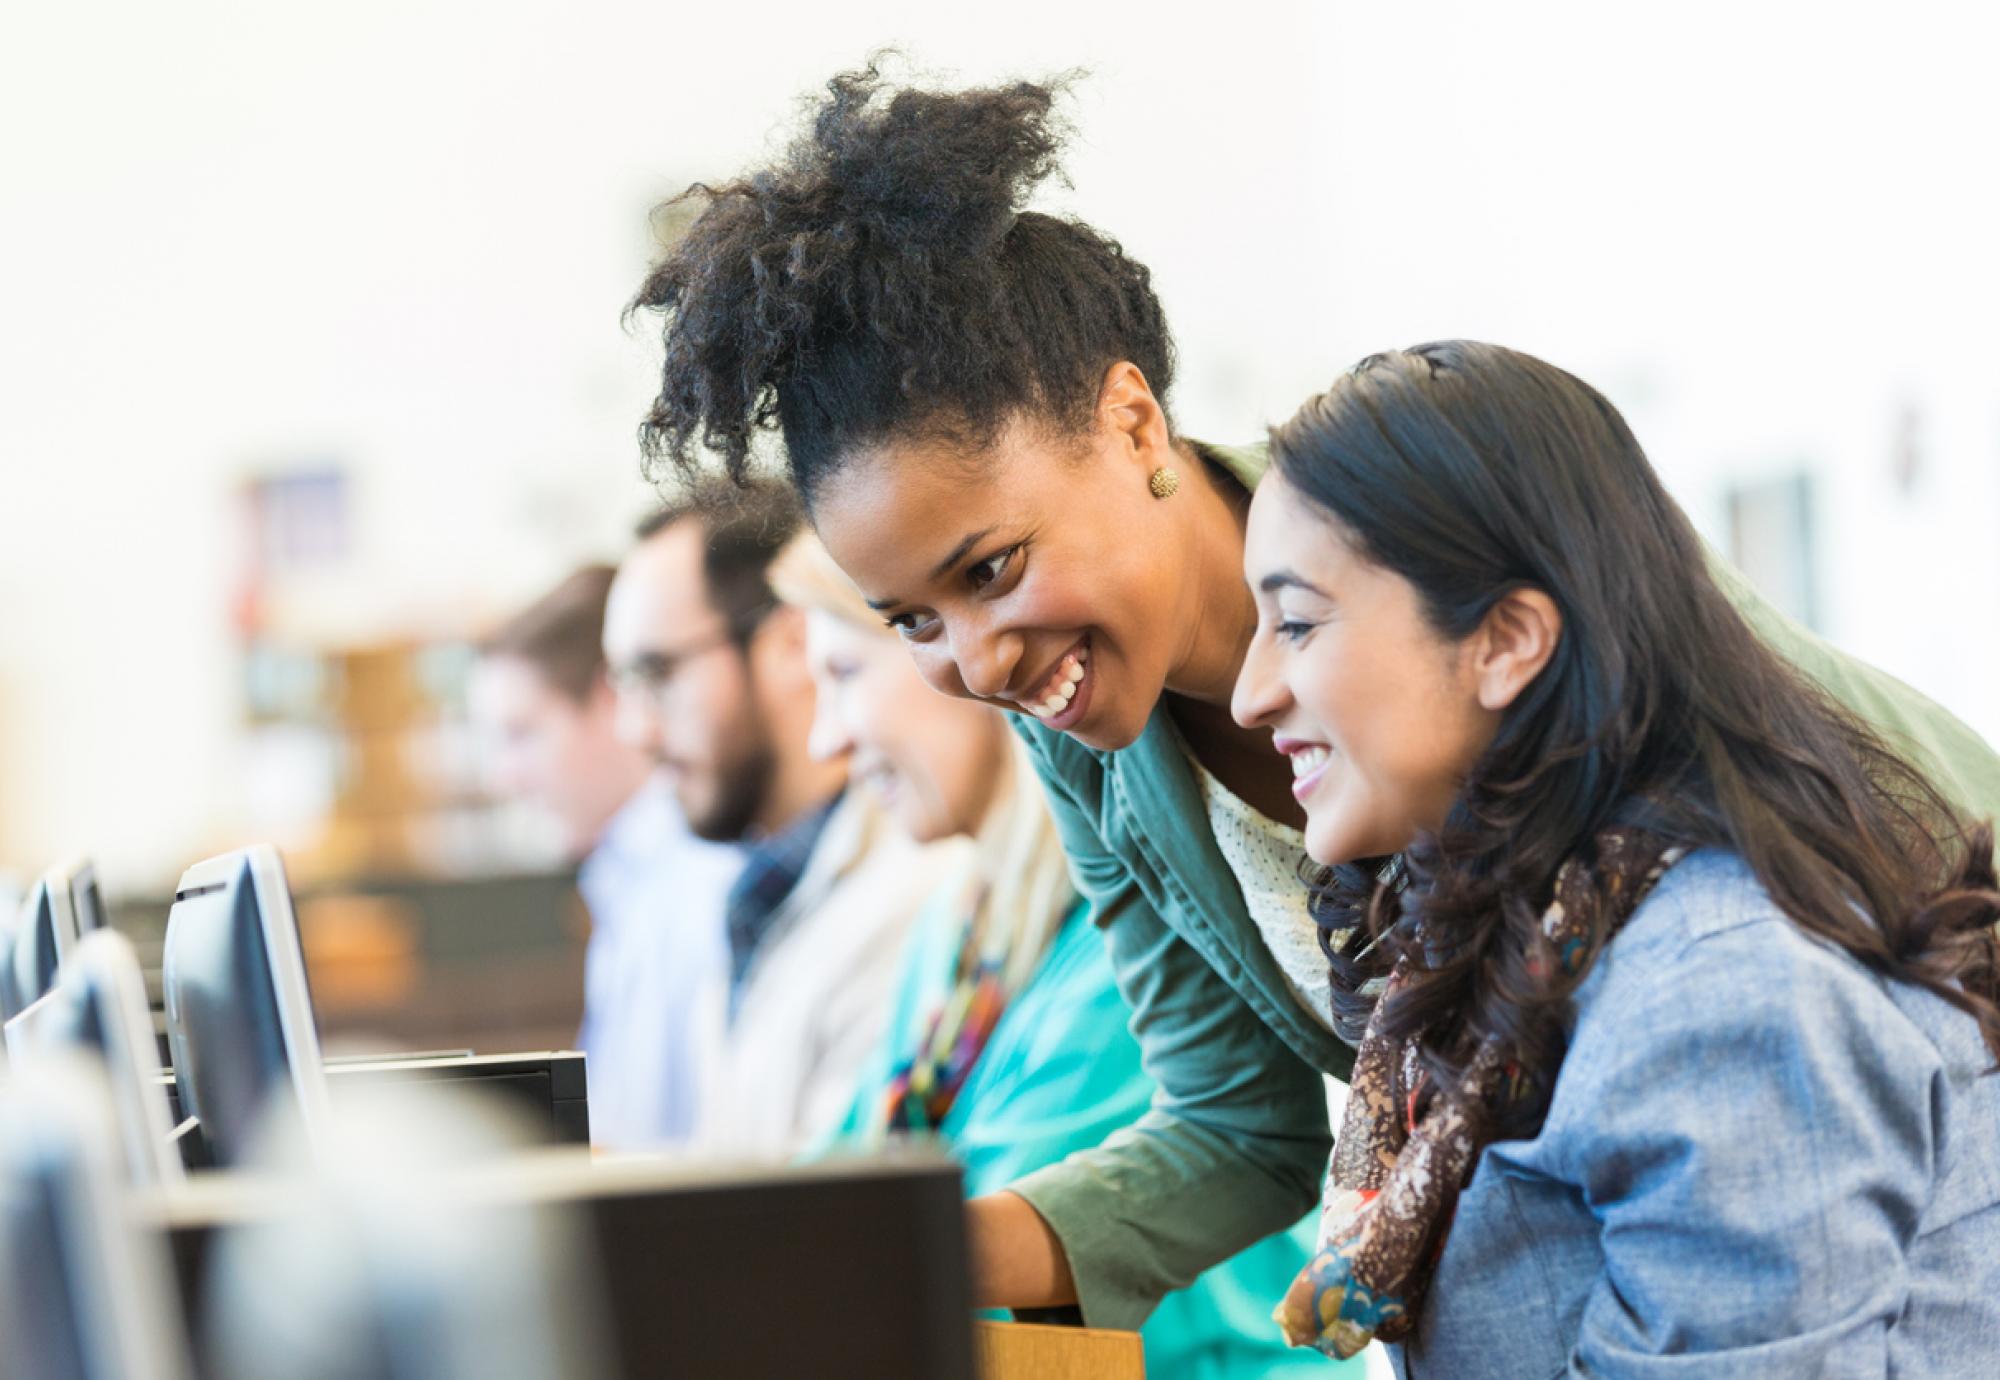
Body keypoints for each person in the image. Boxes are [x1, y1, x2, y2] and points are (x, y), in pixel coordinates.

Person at [626, 65, 2000, 1332]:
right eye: (911, 620)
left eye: (993, 569)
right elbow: (1236, 1127)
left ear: (1133, 424)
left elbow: (1818, 857)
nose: (977, 665)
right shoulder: (1096, 739)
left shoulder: (1442, 522)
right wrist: (890, 1260)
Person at [1236, 340, 2000, 1375]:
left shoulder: (1714, 987)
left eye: (1293, 622)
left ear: (1506, 640)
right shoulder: (1538, 926)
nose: (1247, 695)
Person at [771, 532, 1345, 1378]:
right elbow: (839, 1185)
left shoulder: (1127, 945)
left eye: (846, 675)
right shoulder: (961, 932)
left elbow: (969, 1261)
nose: (823, 741)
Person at [602, 480, 956, 1155]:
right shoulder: (759, 891)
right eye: (623, 685)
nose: (635, 729)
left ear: (790, 644)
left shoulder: (914, 893)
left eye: (657, 674)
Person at [470, 566, 741, 1149]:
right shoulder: (628, 879)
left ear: (609, 701)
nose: (502, 778)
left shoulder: (698, 881)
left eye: (521, 733)